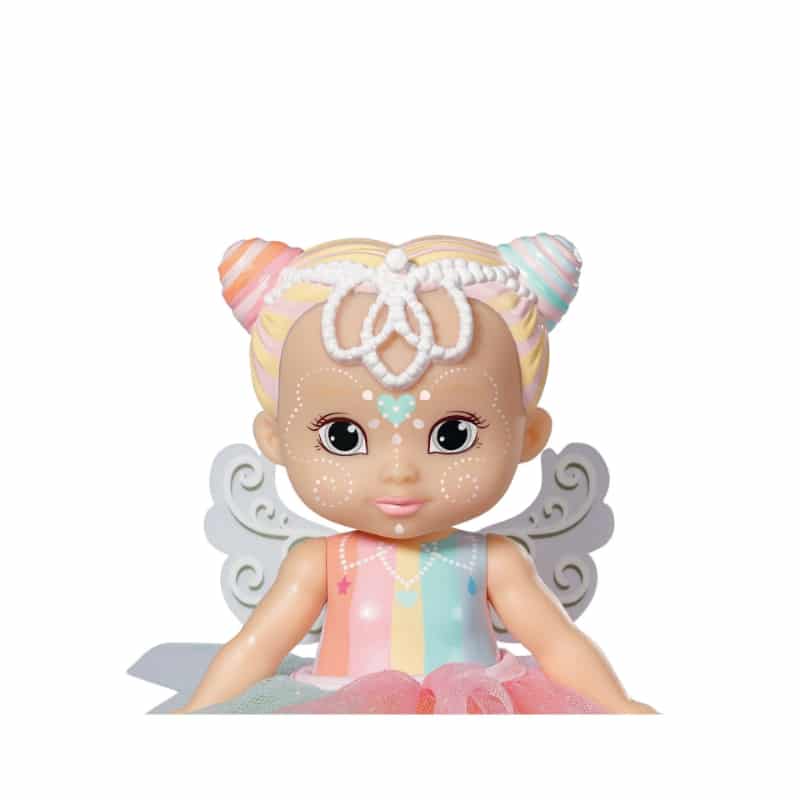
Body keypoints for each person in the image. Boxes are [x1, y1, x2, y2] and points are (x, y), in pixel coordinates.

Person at [179, 234, 655, 714]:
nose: (400, 471)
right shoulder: (319, 563)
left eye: (453, 435)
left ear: (527, 435)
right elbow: (257, 648)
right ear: (276, 439)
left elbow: (557, 644)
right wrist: (195, 713)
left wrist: (618, 706)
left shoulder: (493, 561)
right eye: (343, 436)